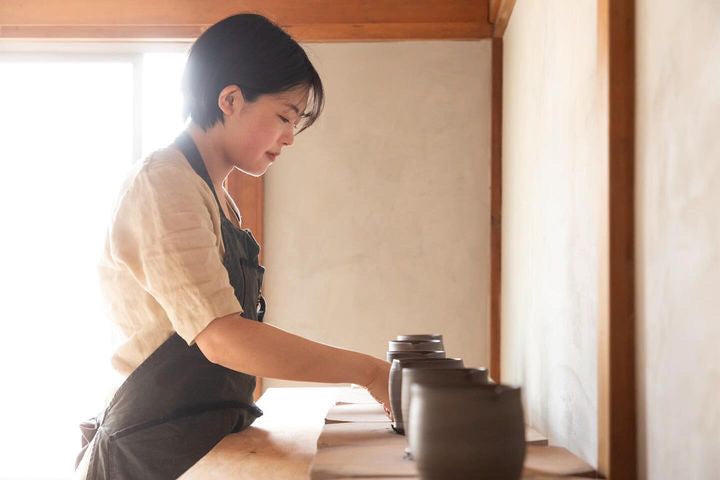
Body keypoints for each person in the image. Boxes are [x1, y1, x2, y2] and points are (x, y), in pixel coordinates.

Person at [75, 13, 391, 480]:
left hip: (200, 439)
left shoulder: (215, 197)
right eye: (284, 116)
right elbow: (222, 337)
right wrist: (368, 371)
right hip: (148, 453)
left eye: (296, 123)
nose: (289, 137)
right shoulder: (165, 184)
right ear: (230, 100)